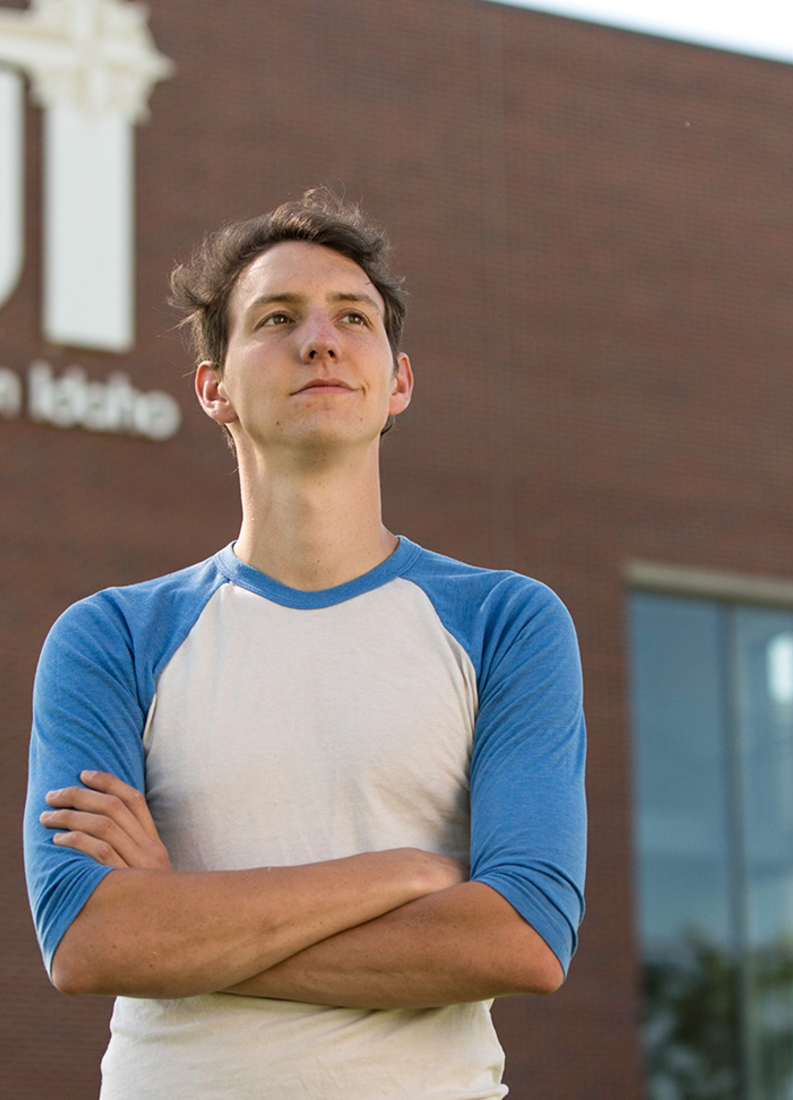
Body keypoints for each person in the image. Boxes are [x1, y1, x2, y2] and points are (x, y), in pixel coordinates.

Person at [22, 190, 587, 1100]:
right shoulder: (112, 637)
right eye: (276, 319)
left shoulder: (507, 623)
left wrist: (185, 926)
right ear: (214, 388)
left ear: (397, 380)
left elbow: (521, 937)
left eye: (351, 318)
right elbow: (91, 941)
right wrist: (405, 875)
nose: (319, 340)